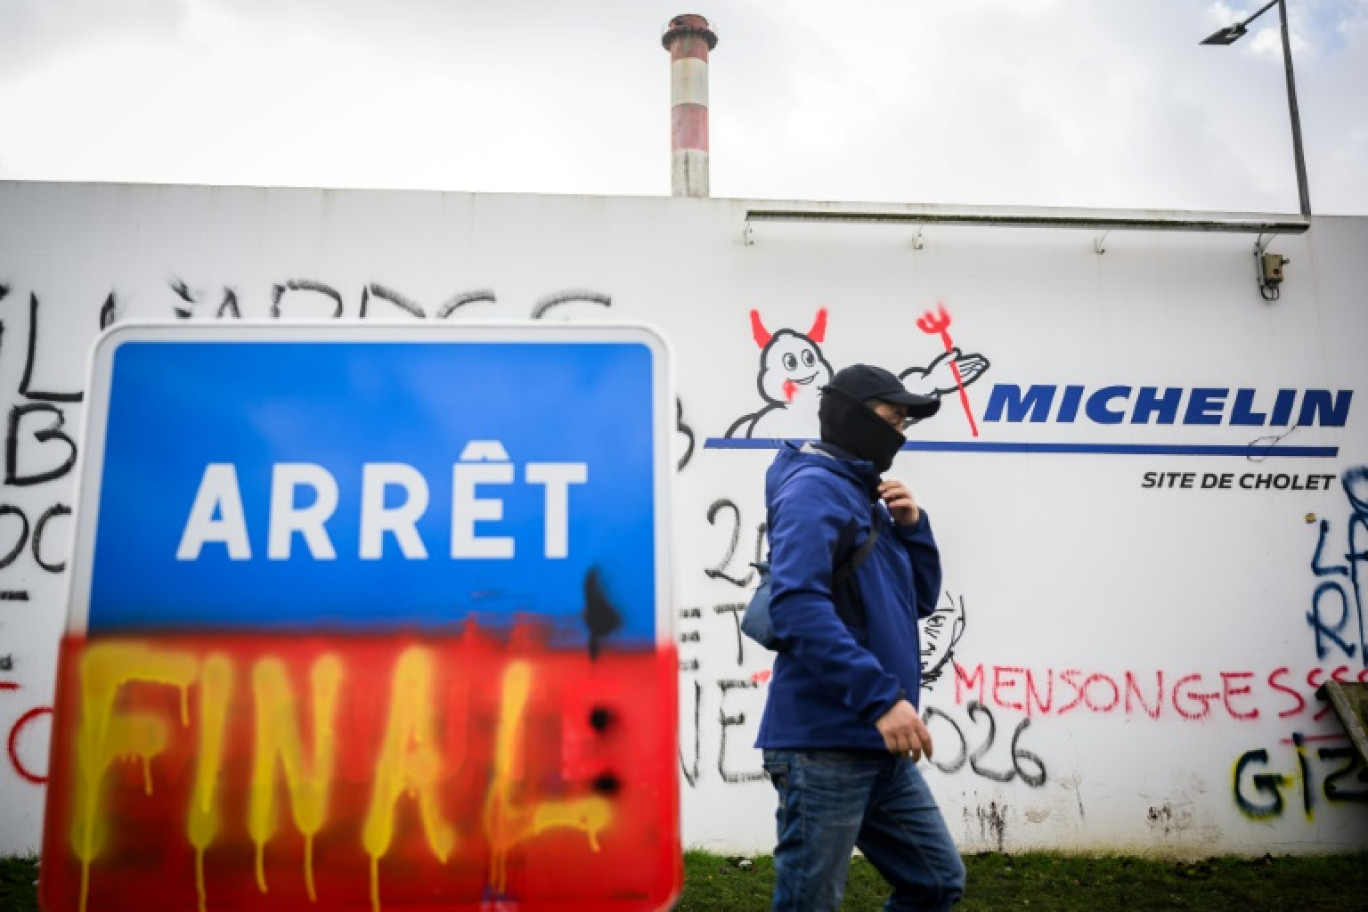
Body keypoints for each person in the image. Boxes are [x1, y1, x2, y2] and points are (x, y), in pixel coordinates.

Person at [756, 363, 966, 912]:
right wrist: (882, 700)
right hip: (825, 742)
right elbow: (798, 606)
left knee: (935, 882)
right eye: (891, 416)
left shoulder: (861, 495)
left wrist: (914, 529)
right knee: (810, 903)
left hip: (877, 744)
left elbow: (913, 602)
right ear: (851, 415)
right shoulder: (814, 490)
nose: (899, 430)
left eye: (905, 421)